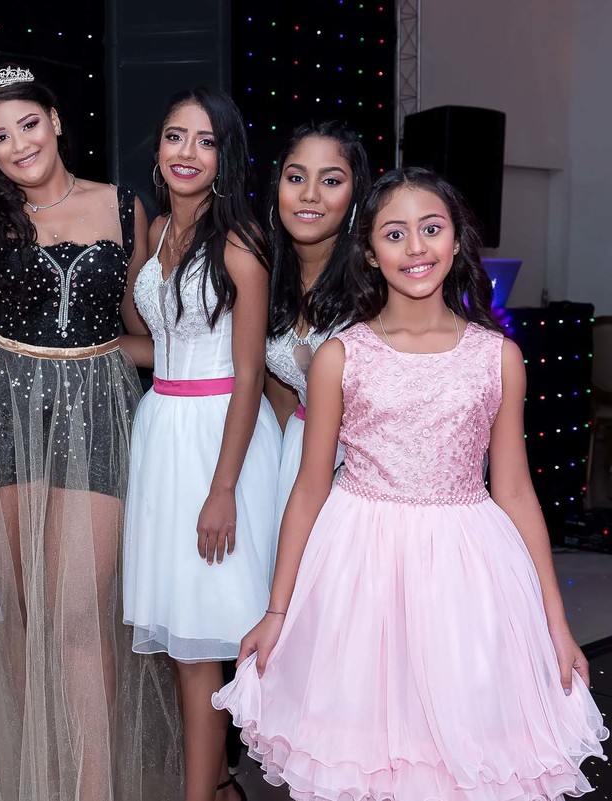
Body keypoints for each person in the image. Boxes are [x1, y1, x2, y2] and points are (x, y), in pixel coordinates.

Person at [214, 167, 608, 799]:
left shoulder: (497, 357)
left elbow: (513, 489)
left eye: (432, 229)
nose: (416, 247)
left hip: (466, 574)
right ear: (370, 251)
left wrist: (555, 624)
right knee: (368, 753)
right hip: (360, 570)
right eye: (395, 234)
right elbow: (310, 488)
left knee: (458, 748)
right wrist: (278, 609)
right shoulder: (343, 355)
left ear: (456, 241)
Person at [0, 65, 179, 801]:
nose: (18, 145)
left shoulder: (120, 204)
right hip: (5, 410)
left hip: (97, 412)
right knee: (21, 616)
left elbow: (140, 327)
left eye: (28, 125)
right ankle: (28, 780)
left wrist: (200, 370)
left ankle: (91, 787)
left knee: (75, 615)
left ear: (57, 121)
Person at [121, 87, 278, 801]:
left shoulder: (240, 242)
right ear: (157, 149)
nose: (187, 152)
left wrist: (223, 488)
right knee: (188, 640)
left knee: (227, 637)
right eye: (174, 136)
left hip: (222, 438)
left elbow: (248, 373)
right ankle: (212, 787)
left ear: (225, 156)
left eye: (205, 140)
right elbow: (150, 340)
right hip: (164, 432)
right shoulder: (153, 235)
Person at [264, 122, 370, 570]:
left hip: (364, 475)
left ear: (355, 196)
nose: (310, 194)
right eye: (296, 177)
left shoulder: (374, 284)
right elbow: (282, 397)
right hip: (299, 462)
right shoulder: (267, 276)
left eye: (330, 180)